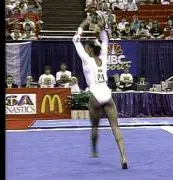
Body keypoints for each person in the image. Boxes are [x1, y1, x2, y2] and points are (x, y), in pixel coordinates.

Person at [73, 28, 128, 169]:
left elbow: (75, 40)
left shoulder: (86, 60)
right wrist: (102, 28)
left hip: (95, 96)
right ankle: (123, 156)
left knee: (95, 126)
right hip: (107, 95)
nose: (85, 50)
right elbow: (105, 39)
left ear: (90, 50)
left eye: (86, 48)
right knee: (115, 127)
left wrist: (81, 28)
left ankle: (94, 150)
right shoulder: (103, 57)